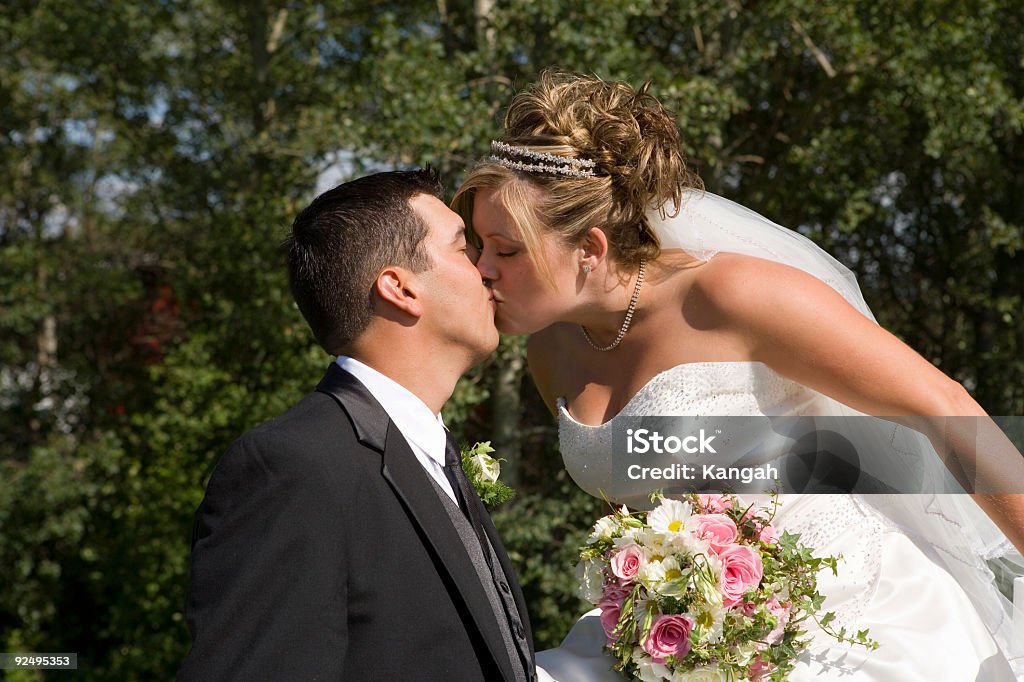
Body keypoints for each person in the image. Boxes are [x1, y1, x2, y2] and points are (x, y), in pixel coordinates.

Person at [453, 72, 1024, 680]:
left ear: (589, 249)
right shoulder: (552, 351)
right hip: (684, 640)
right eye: (477, 246)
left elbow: (942, 405)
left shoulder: (734, 295)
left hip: (847, 617)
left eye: (505, 250)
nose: (482, 269)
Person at [179, 169, 537, 681]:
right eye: (464, 248)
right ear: (400, 288)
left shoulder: (429, 453)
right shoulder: (296, 467)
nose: (486, 268)